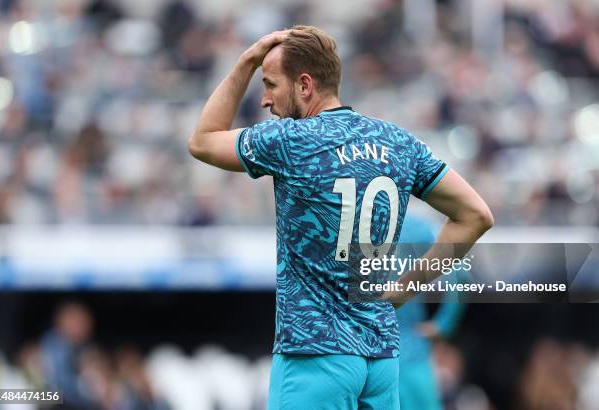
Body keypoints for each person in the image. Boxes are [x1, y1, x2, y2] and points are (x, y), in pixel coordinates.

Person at [188, 25, 493, 409]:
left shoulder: (289, 140)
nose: (264, 100)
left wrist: (246, 61)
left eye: (269, 84)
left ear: (304, 85)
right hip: (381, 361)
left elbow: (202, 140)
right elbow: (476, 215)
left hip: (313, 356)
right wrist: (406, 286)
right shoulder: (398, 142)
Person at [396, 214, 467, 410]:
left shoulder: (346, 225)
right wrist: (444, 324)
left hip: (359, 353)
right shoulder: (416, 227)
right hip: (410, 352)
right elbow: (460, 275)